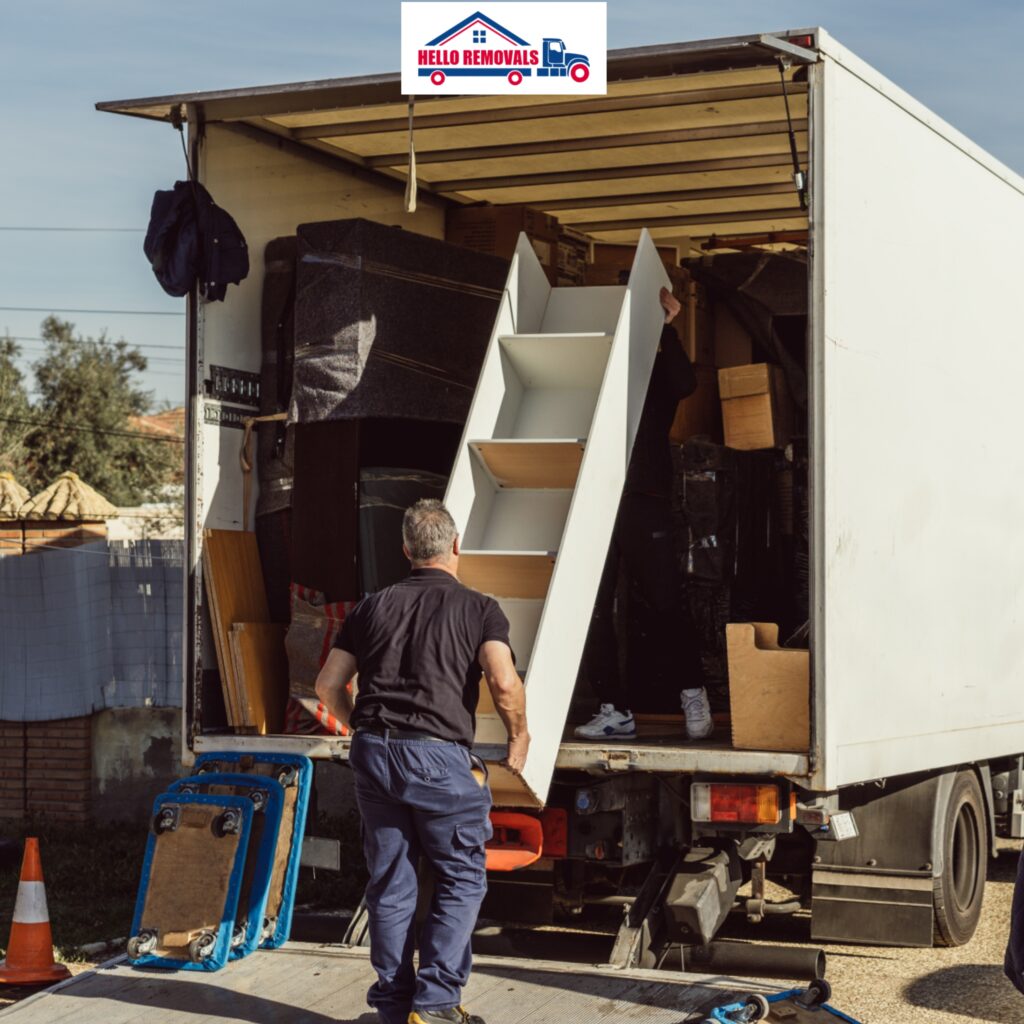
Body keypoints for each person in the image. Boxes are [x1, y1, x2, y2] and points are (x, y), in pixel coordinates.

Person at [315, 498, 527, 1024]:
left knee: (390, 880)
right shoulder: (480, 608)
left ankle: (392, 1005)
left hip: (374, 753)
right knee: (460, 877)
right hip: (437, 759)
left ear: (406, 550)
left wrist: (357, 727)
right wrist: (519, 736)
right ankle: (434, 1006)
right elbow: (502, 680)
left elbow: (326, 684)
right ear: (455, 546)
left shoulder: (370, 606)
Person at [574, 286, 713, 742]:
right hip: (593, 502)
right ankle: (614, 708)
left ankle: (693, 694)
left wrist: (667, 329)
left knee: (664, 602)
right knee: (593, 608)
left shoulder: (649, 372)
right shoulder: (587, 376)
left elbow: (685, 384)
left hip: (643, 500)